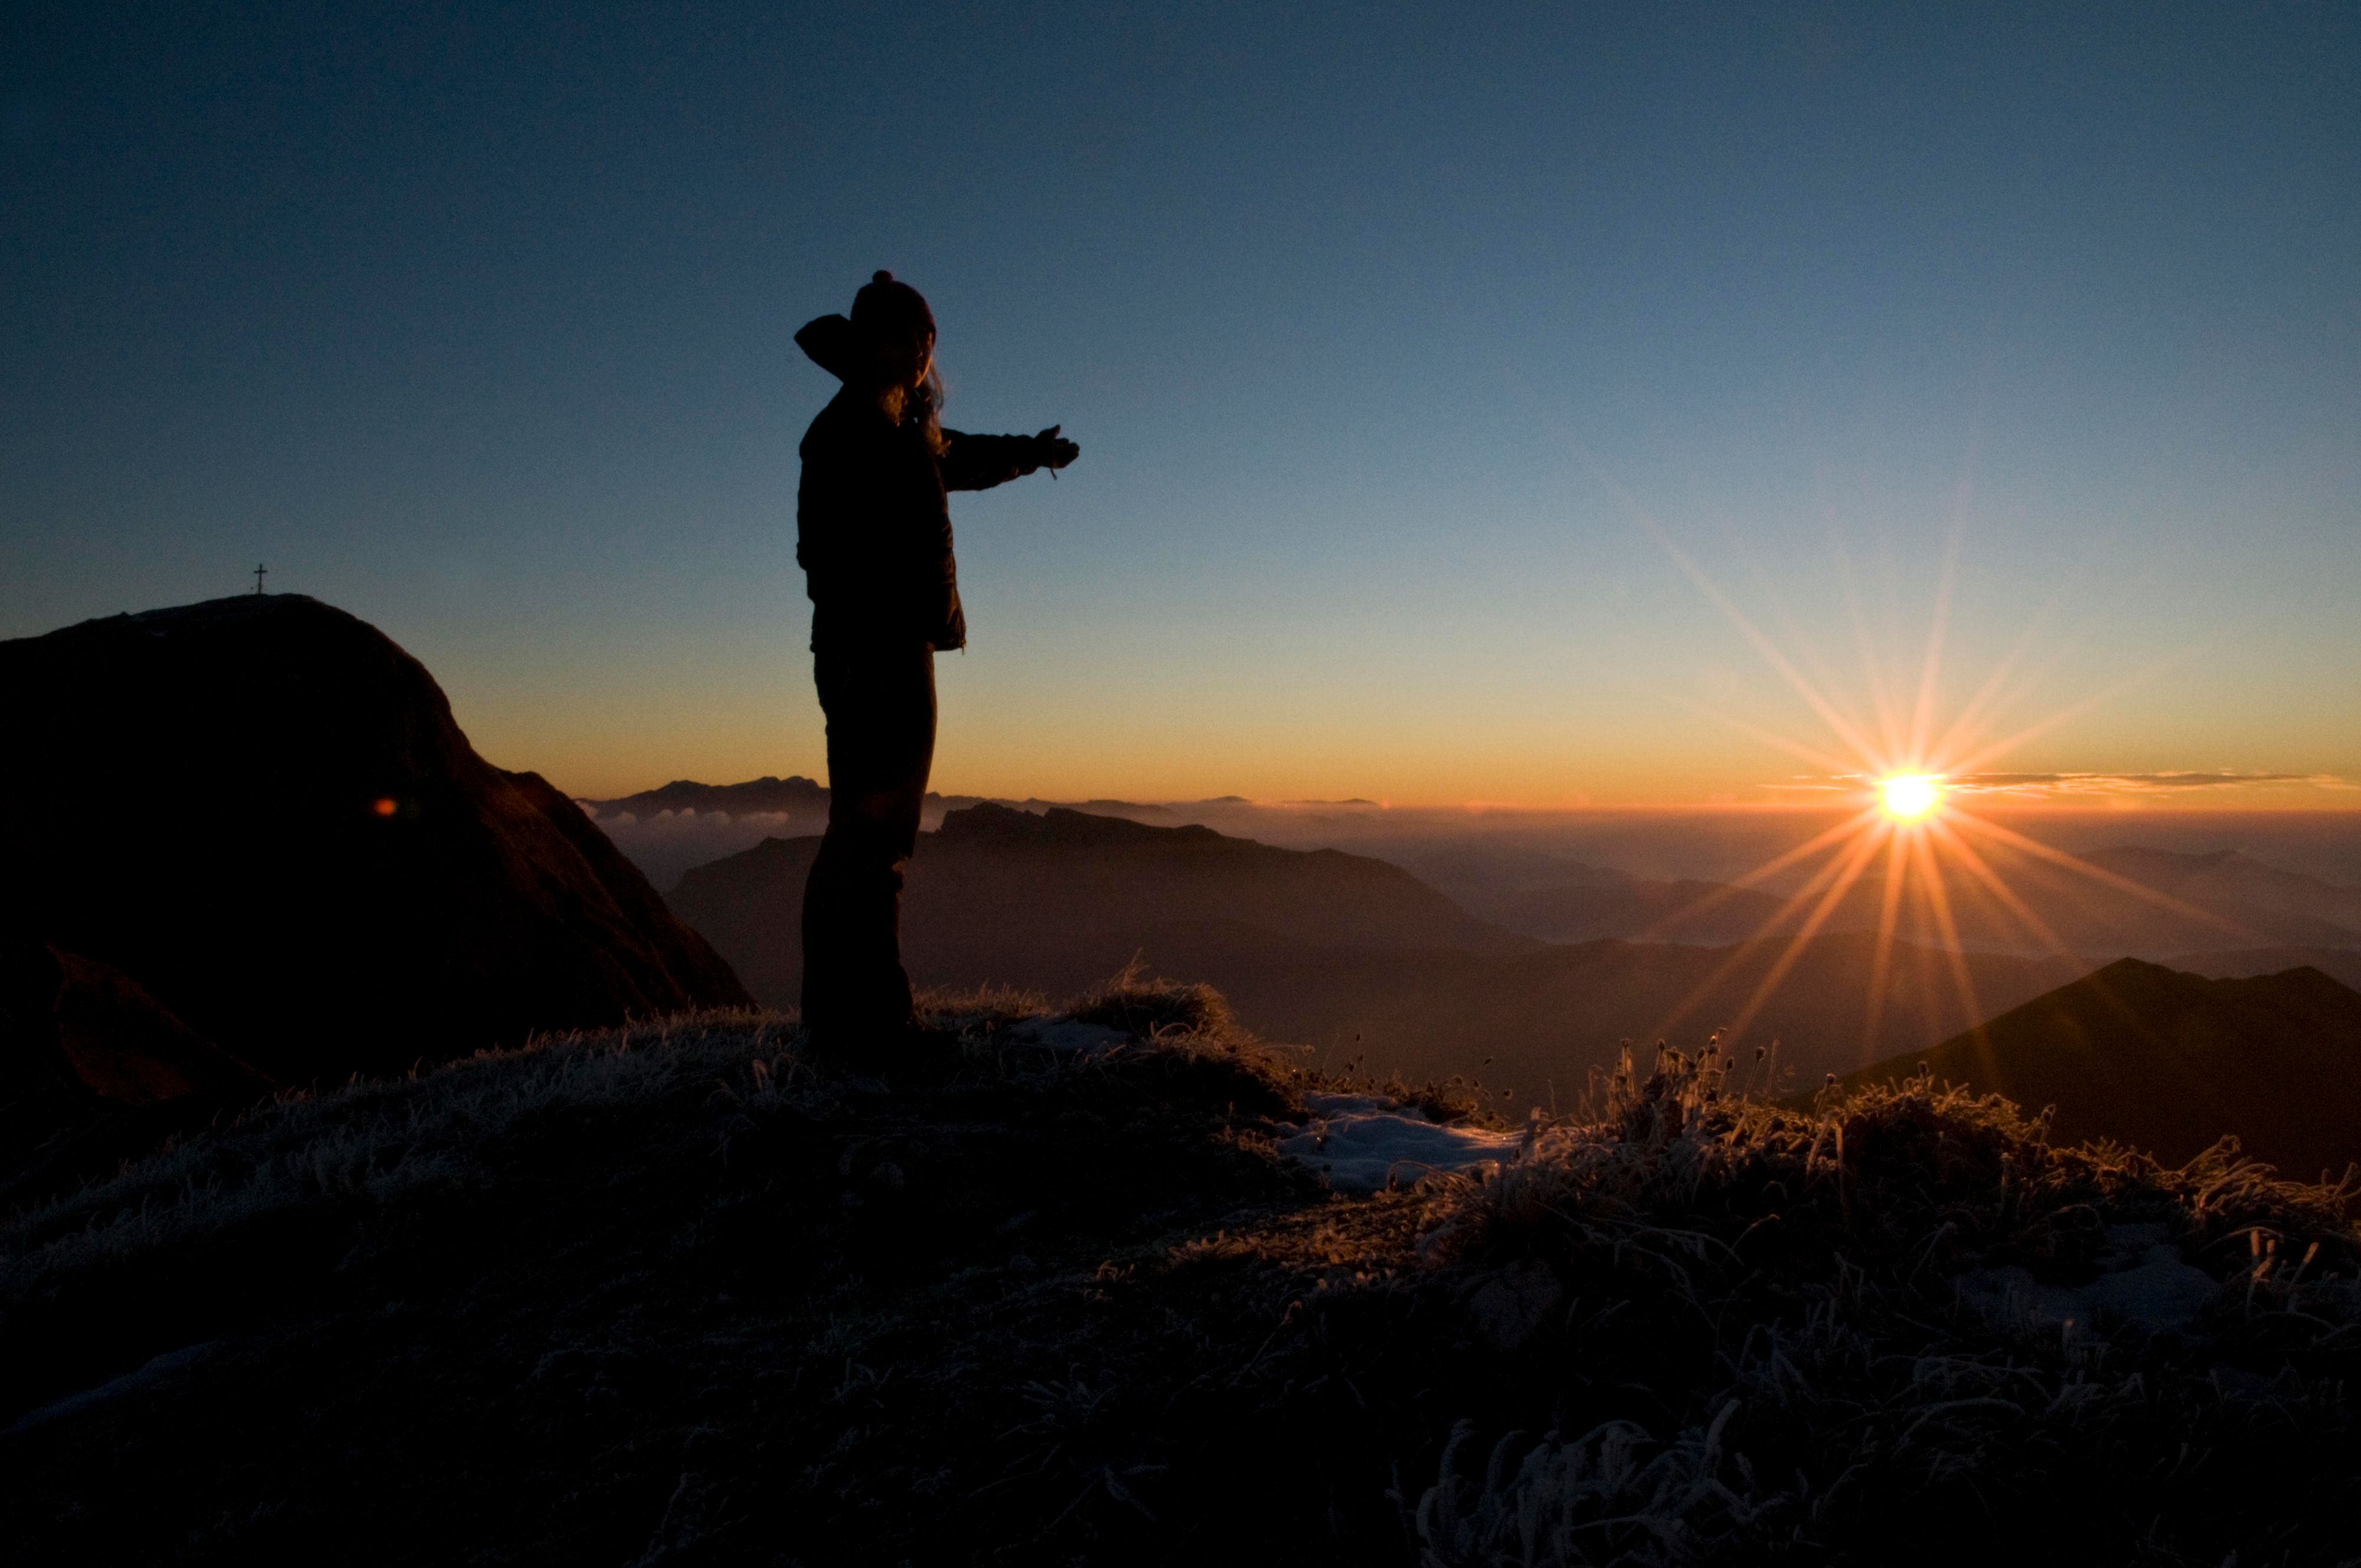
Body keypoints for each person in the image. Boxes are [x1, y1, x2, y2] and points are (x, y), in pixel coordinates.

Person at [792, 271, 1078, 1059]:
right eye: (916, 342)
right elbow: (821, 553)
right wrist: (882, 616)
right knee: (874, 837)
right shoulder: (849, 430)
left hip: (885, 649)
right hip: (872, 655)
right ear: (882, 342)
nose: (925, 358)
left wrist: (1034, 454)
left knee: (870, 835)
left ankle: (841, 1018)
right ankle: (871, 1024)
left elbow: (962, 457)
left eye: (930, 346)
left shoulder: (895, 426)